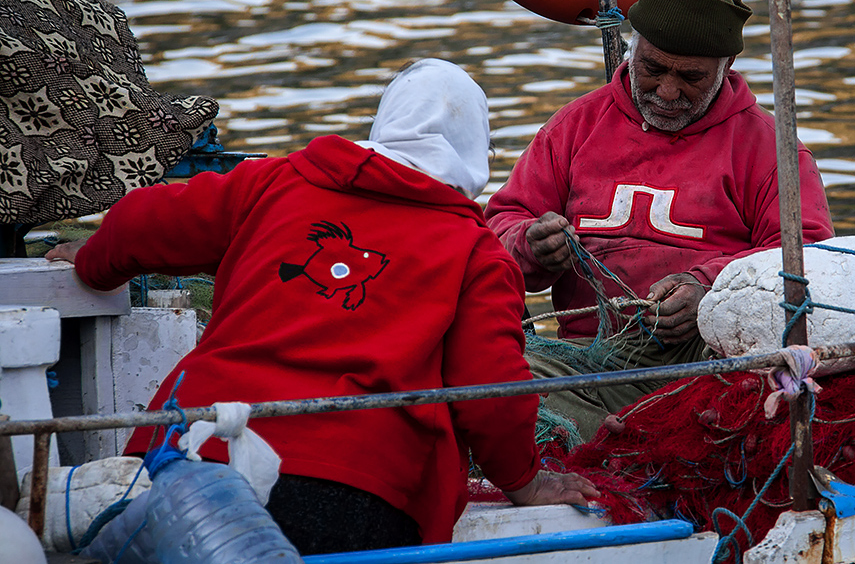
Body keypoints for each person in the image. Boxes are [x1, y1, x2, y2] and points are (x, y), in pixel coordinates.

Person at [46, 59, 596, 555]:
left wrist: (91, 263)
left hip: (191, 461)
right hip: (358, 495)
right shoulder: (476, 254)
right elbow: (490, 392)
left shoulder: (276, 181)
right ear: (476, 151)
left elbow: (143, 220)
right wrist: (525, 482)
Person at [486, 0, 835, 442]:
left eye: (690, 77)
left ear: (726, 65)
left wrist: (708, 291)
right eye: (653, 69)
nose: (667, 92)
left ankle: (619, 441)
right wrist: (531, 245)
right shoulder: (574, 127)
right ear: (633, 49)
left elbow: (806, 256)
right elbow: (501, 227)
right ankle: (621, 439)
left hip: (706, 360)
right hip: (587, 361)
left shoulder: (770, 149)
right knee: (490, 369)